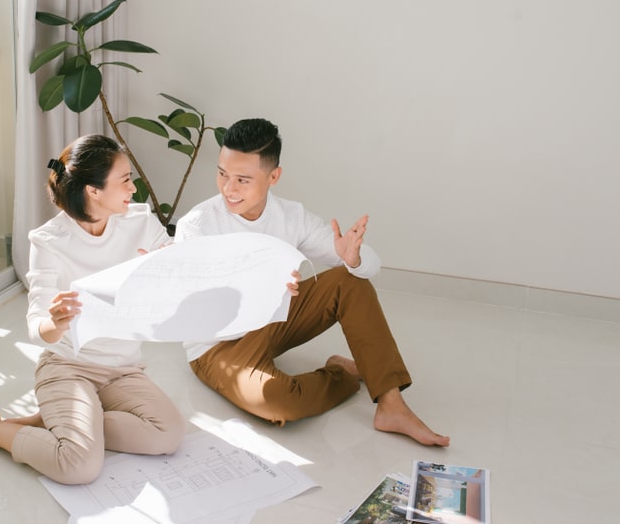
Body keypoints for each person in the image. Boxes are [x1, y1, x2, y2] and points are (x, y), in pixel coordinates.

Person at [0, 134, 185, 484]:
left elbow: (182, 272)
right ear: (93, 190)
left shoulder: (140, 221)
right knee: (79, 466)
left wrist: (166, 268)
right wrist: (56, 320)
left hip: (122, 370)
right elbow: (38, 329)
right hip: (68, 367)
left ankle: (58, 419)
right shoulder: (48, 240)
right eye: (125, 180)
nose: (133, 189)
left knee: (167, 435)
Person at [173, 118, 449, 447]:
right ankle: (343, 374)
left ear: (273, 176)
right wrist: (258, 292)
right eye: (222, 174)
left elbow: (367, 269)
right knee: (278, 403)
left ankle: (391, 405)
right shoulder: (198, 226)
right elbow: (191, 310)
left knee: (351, 281)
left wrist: (352, 257)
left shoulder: (290, 216)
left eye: (243, 179)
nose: (228, 189)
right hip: (219, 347)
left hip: (274, 321)